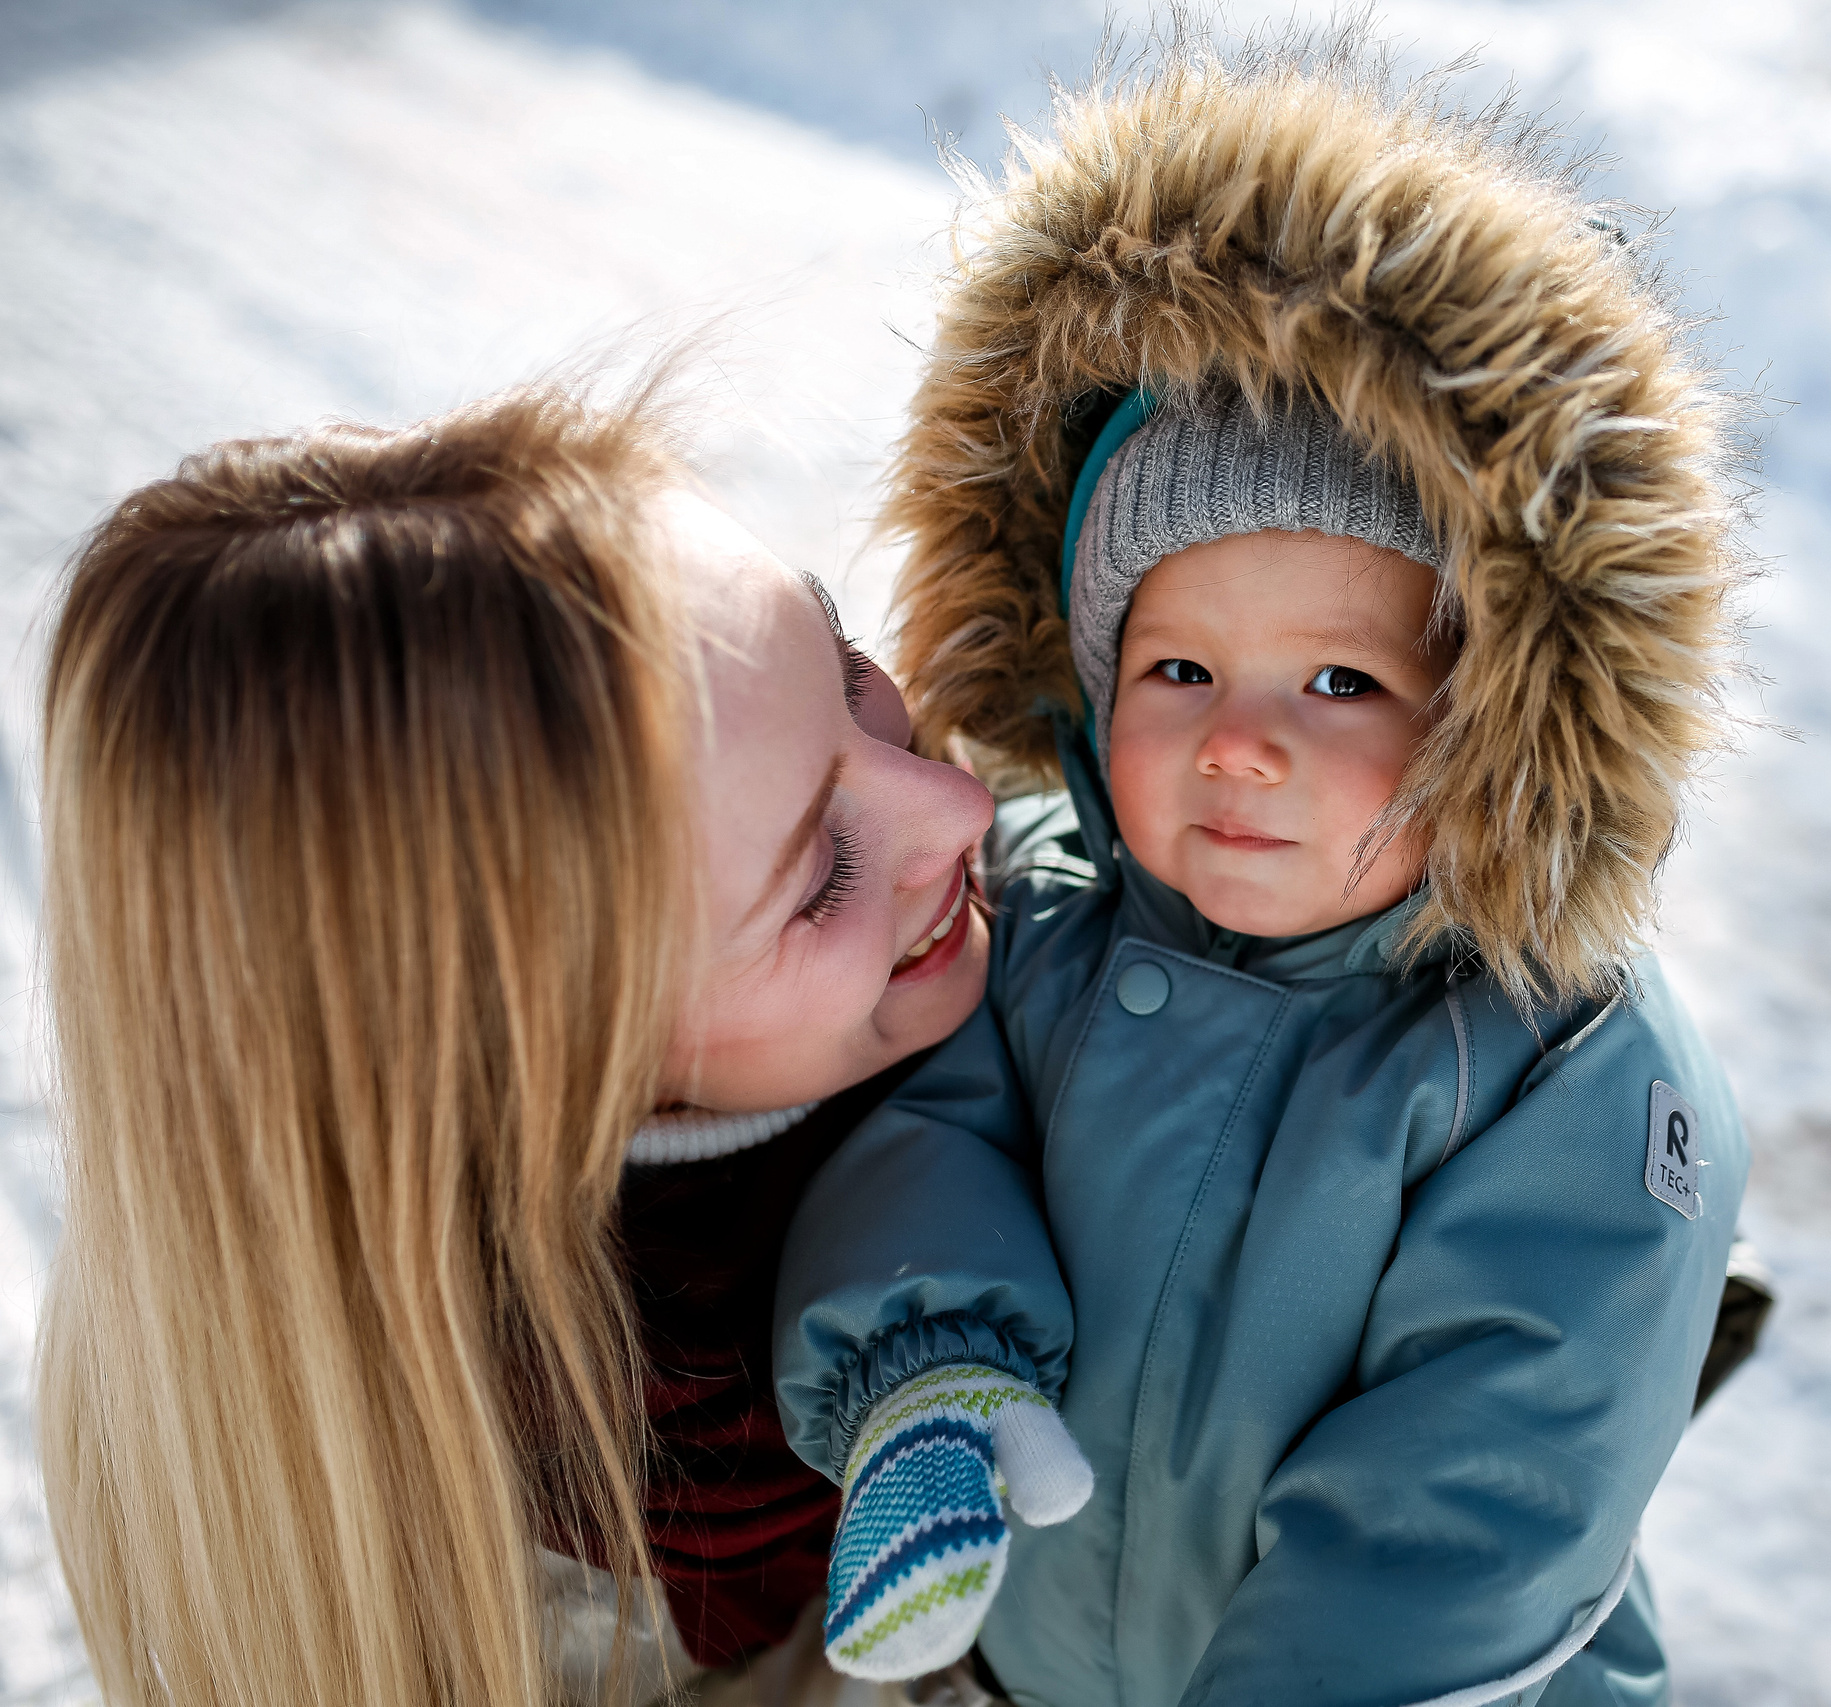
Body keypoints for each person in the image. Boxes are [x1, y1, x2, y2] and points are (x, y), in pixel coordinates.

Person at [774, 35, 1755, 1706]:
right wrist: (927, 1381)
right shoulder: (1034, 919)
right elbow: (924, 1140)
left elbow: (1475, 1488)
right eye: (1177, 675)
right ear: (1089, 687)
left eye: (1341, 684)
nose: (1242, 745)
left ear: (1493, 725)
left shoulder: (1554, 1066)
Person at [32, 377, 1061, 1706]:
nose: (963, 800)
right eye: (820, 875)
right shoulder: (544, 1609)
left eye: (850, 670)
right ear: (557, 1076)